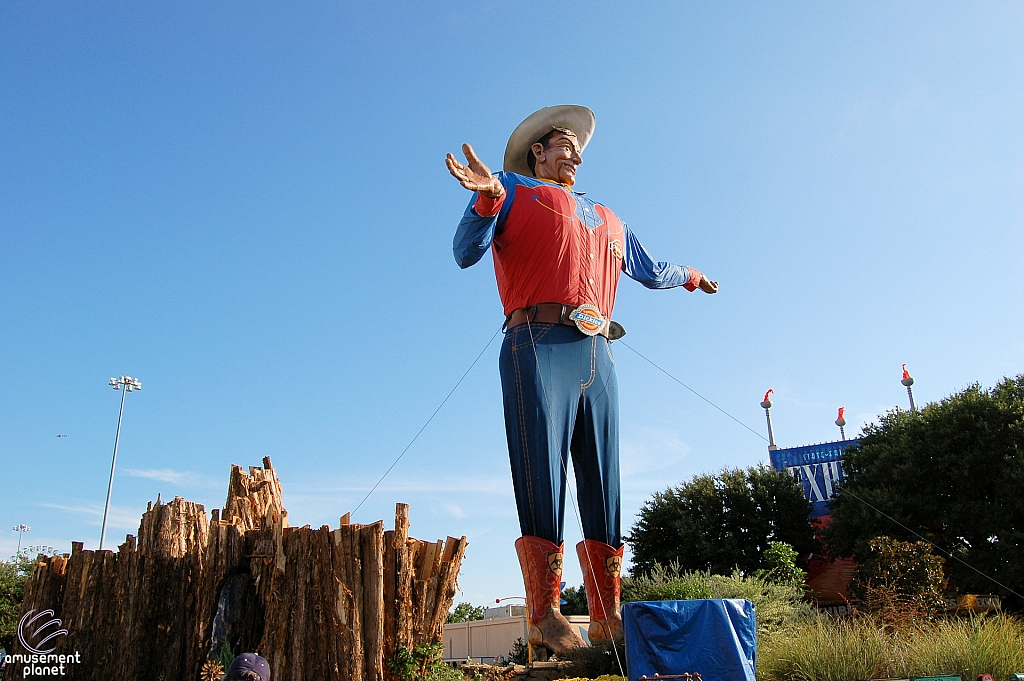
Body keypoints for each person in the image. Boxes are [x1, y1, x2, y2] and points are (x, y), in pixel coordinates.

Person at [447, 105, 718, 655]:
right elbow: (463, 253)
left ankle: (606, 614)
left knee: (604, 479)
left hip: (600, 352)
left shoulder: (609, 217)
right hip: (537, 343)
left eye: (578, 145)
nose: (573, 151)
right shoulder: (512, 190)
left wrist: (689, 276)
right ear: (537, 153)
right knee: (542, 471)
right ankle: (545, 615)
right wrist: (485, 200)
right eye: (561, 143)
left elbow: (649, 269)